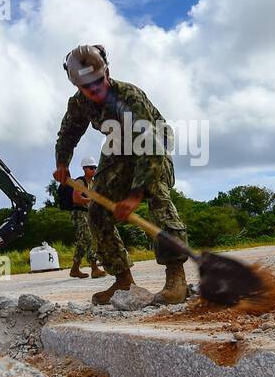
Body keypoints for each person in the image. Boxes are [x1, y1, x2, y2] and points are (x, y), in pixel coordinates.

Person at [54, 44, 189, 305]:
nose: (95, 90)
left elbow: (150, 146)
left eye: (99, 81)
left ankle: (176, 277)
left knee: (158, 198)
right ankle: (123, 280)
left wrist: (135, 195)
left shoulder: (129, 96)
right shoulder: (79, 103)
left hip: (153, 144)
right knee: (97, 212)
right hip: (118, 146)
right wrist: (62, 163)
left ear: (107, 72)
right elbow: (68, 133)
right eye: (87, 87)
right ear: (77, 86)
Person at [69, 157, 105, 279]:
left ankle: (75, 269)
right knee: (89, 238)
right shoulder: (80, 181)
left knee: (83, 241)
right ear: (84, 168)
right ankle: (94, 268)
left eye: (95, 167)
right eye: (91, 168)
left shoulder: (93, 183)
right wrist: (91, 199)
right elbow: (76, 198)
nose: (93, 170)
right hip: (79, 213)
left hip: (88, 213)